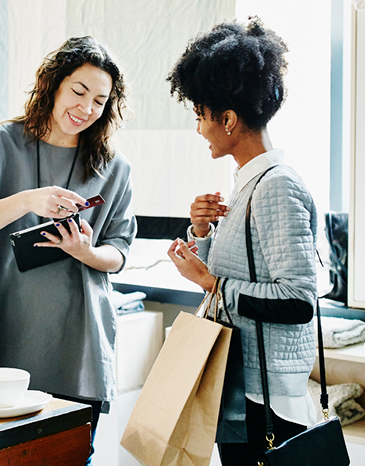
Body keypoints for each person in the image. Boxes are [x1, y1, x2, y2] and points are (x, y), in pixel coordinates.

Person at [0, 36, 137, 463]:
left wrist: (86, 252)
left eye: (99, 100)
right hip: (10, 333)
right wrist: (27, 201)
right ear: (53, 84)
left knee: (72, 457)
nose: (86, 108)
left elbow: (120, 252)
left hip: (80, 343)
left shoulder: (114, 166)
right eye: (78, 91)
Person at [166, 18, 318, 465]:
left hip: (265, 397)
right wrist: (202, 233)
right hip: (246, 382)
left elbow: (297, 300)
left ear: (228, 119)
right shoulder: (250, 185)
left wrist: (210, 282)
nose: (198, 129)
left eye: (200, 115)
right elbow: (246, 273)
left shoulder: (275, 187)